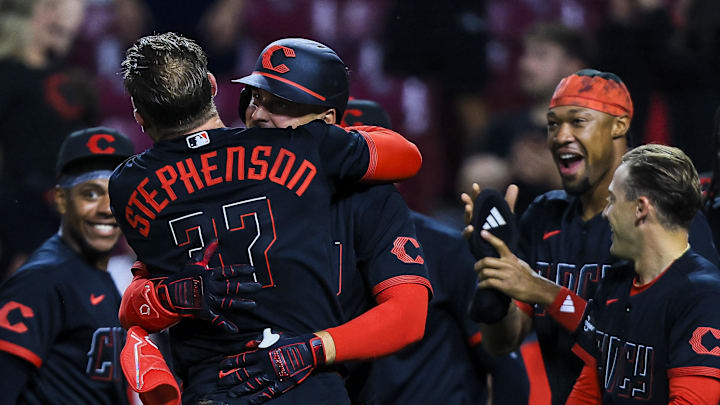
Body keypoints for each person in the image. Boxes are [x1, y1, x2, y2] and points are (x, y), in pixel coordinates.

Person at [110, 33, 430, 404]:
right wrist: (167, 296)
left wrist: (316, 348)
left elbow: (408, 316)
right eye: (255, 97)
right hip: (242, 388)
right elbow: (137, 298)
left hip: (350, 386)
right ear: (214, 87)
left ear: (326, 121)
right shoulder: (302, 151)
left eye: (280, 104)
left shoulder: (367, 195)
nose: (258, 114)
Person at [462, 69, 720, 405]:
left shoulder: (666, 221)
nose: (560, 136)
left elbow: (662, 332)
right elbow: (503, 343)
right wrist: (495, 279)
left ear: (619, 125)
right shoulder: (542, 215)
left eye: (577, 121)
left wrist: (543, 290)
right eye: (553, 124)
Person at [565, 144, 720, 403]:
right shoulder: (614, 283)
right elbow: (586, 393)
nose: (605, 214)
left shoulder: (703, 295)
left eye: (613, 201)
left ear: (640, 208)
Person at [0, 126, 134, 403]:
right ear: (61, 199)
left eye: (115, 193)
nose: (107, 208)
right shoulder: (42, 279)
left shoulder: (95, 275)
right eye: (91, 194)